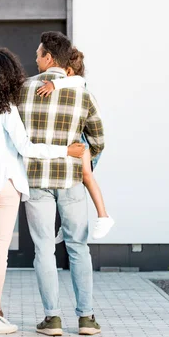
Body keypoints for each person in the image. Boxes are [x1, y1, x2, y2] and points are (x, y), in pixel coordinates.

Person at [0, 47, 86, 335]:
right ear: (8, 77)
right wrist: (65, 150)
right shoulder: (6, 108)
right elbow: (26, 148)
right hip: (5, 183)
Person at [18, 32, 105, 336]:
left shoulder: (23, 90)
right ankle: (86, 319)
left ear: (49, 59)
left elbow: (14, 139)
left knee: (43, 248)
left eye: (39, 54)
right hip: (70, 180)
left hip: (36, 179)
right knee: (78, 247)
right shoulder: (84, 94)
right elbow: (98, 139)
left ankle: (52, 319)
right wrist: (86, 166)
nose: (36, 58)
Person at [36, 47, 114, 242]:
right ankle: (67, 224)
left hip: (82, 142)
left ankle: (104, 216)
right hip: (77, 143)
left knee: (86, 176)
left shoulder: (77, 85)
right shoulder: (74, 86)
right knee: (81, 182)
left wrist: (54, 85)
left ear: (68, 71)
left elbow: (78, 80)